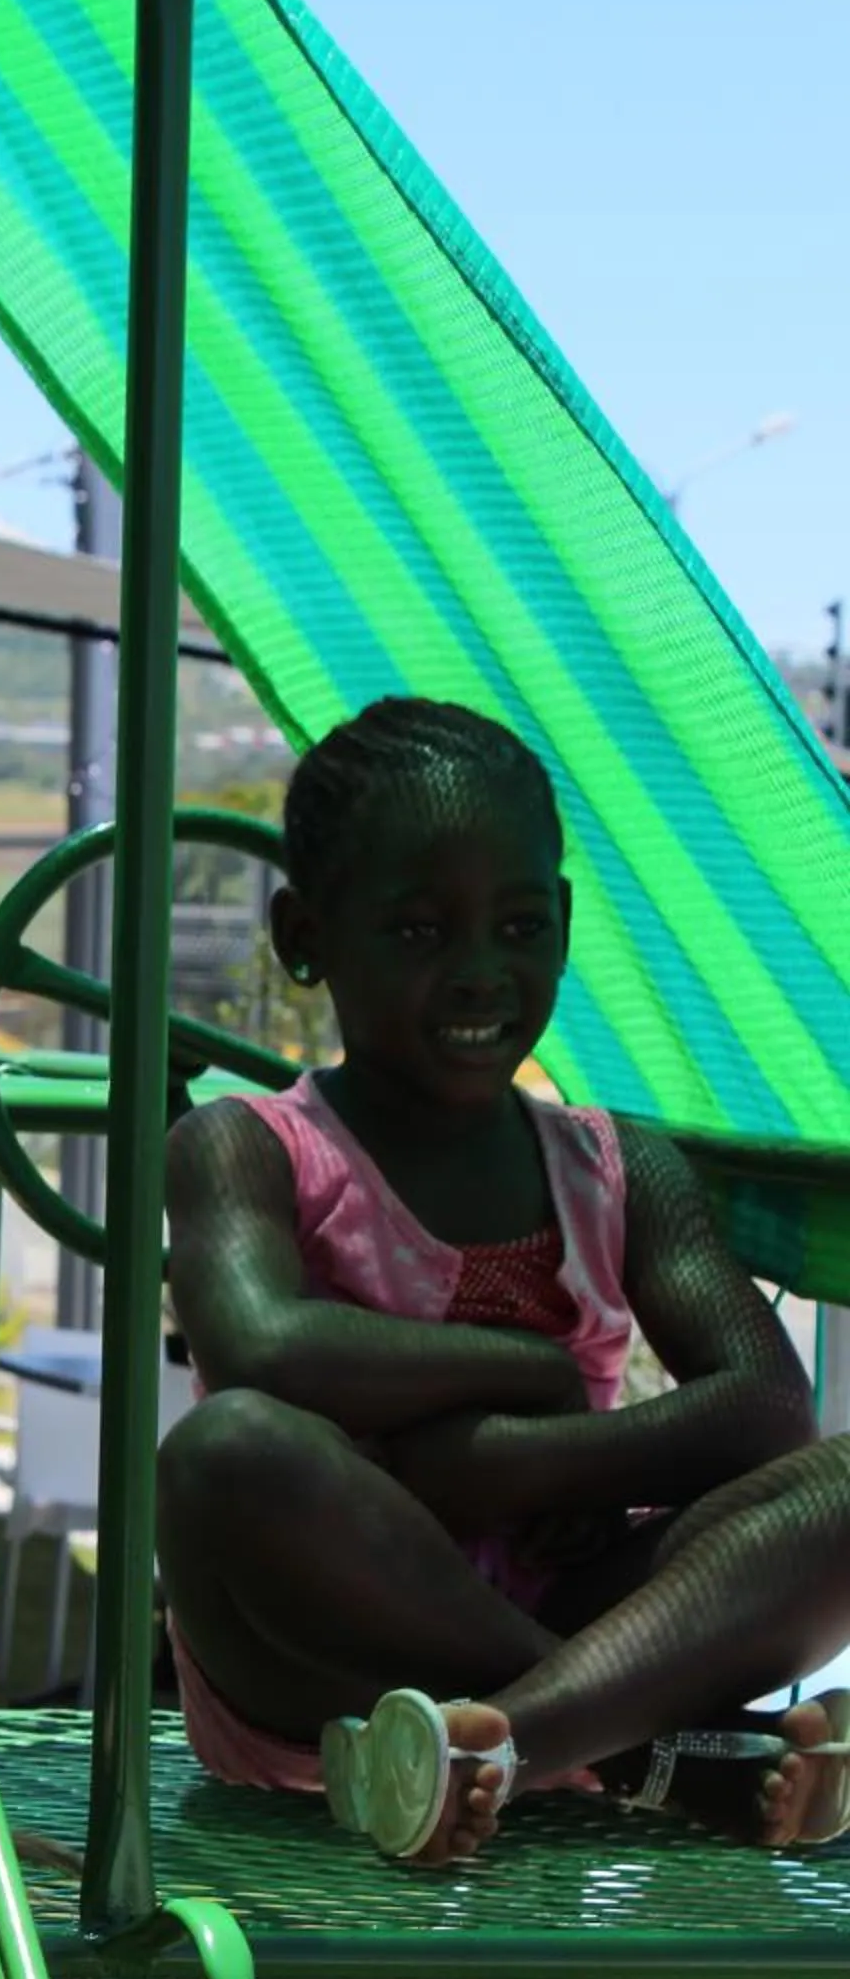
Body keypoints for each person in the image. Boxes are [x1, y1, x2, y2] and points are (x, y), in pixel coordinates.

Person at [156, 695, 850, 1868]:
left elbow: (763, 1411)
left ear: (564, 923)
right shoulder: (244, 1145)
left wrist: (497, 1463)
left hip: (582, 1618)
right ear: (303, 935)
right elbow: (261, 1353)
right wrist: (528, 1365)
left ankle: (504, 1746)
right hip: (328, 1668)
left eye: (520, 926)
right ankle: (644, 1751)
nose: (481, 973)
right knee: (228, 1451)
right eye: (420, 935)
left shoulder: (617, 1165)